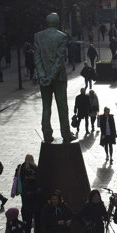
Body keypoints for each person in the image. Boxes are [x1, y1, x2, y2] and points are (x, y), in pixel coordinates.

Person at [34, 13, 76, 143]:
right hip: (59, 78)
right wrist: (52, 76)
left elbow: (37, 58)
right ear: (57, 23)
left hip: (44, 79)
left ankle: (47, 134)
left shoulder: (38, 36)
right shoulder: (62, 37)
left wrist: (43, 76)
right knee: (62, 106)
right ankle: (65, 133)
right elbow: (60, 59)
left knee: (46, 107)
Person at [20, 168, 43, 233]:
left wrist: (31, 193)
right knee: (28, 223)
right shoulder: (25, 184)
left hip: (35, 206)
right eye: (31, 175)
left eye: (33, 175)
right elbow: (26, 195)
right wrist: (35, 192)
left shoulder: (36, 182)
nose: (33, 177)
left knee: (38, 222)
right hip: (28, 207)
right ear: (28, 176)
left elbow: (40, 192)